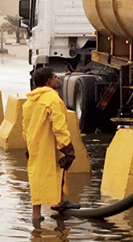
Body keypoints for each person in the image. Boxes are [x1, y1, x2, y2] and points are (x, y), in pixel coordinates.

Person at [22, 67, 80, 225]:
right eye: (55, 77)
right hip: (50, 144)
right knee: (58, 170)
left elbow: (25, 127)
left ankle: (36, 216)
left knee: (37, 177)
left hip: (34, 145)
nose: (57, 79)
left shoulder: (30, 102)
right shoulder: (52, 100)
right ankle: (59, 203)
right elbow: (59, 126)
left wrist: (28, 146)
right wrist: (67, 148)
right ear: (48, 82)